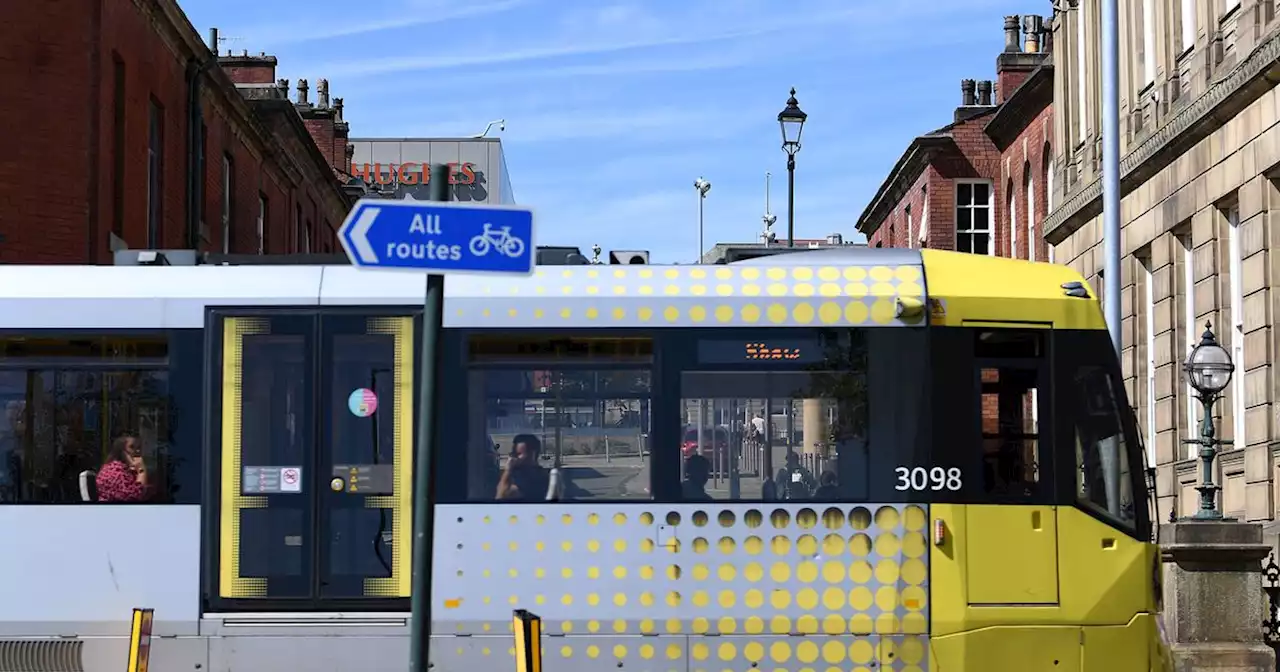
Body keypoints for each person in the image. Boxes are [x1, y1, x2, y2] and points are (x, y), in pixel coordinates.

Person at [96, 432, 152, 503]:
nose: (137, 451)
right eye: (132, 447)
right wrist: (142, 470)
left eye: (139, 447)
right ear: (122, 451)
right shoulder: (114, 471)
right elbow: (135, 497)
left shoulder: (127, 469)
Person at [495, 434, 551, 501]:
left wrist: (508, 470)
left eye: (519, 454)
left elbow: (501, 496)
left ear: (532, 454)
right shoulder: (517, 473)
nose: (515, 458)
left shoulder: (537, 477)